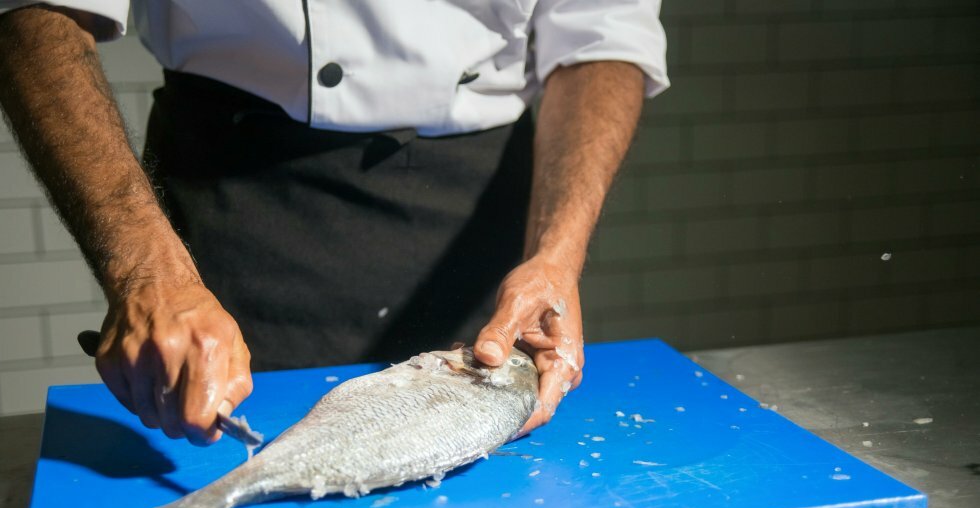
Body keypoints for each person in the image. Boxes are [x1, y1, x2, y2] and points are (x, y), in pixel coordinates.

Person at [0, 1, 668, 446]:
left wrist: (556, 254)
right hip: (236, 202)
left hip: (481, 223)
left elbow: (601, 32)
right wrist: (146, 270)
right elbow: (34, 13)